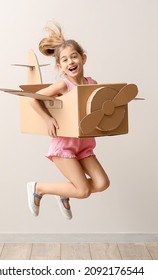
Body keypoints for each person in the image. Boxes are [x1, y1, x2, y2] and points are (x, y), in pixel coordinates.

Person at [27, 22, 110, 219]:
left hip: (84, 146)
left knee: (102, 184)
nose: (70, 62)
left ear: (83, 58)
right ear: (60, 66)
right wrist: (47, 119)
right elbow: (32, 99)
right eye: (64, 60)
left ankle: (64, 193)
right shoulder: (63, 85)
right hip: (64, 146)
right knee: (82, 190)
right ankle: (38, 188)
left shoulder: (92, 84)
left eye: (74, 56)